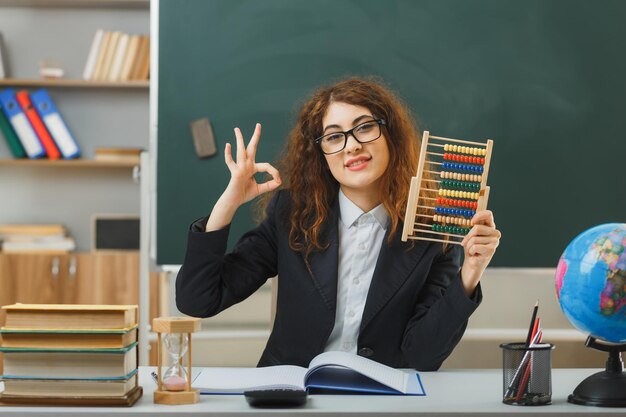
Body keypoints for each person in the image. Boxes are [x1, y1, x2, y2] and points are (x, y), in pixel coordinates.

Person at [176, 77, 501, 371]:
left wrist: (471, 272)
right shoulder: (291, 215)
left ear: (390, 135)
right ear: (321, 153)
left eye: (364, 127)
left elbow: (423, 355)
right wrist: (229, 202)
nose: (352, 145)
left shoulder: (433, 231)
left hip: (382, 399)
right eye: (334, 137)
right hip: (294, 396)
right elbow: (198, 300)